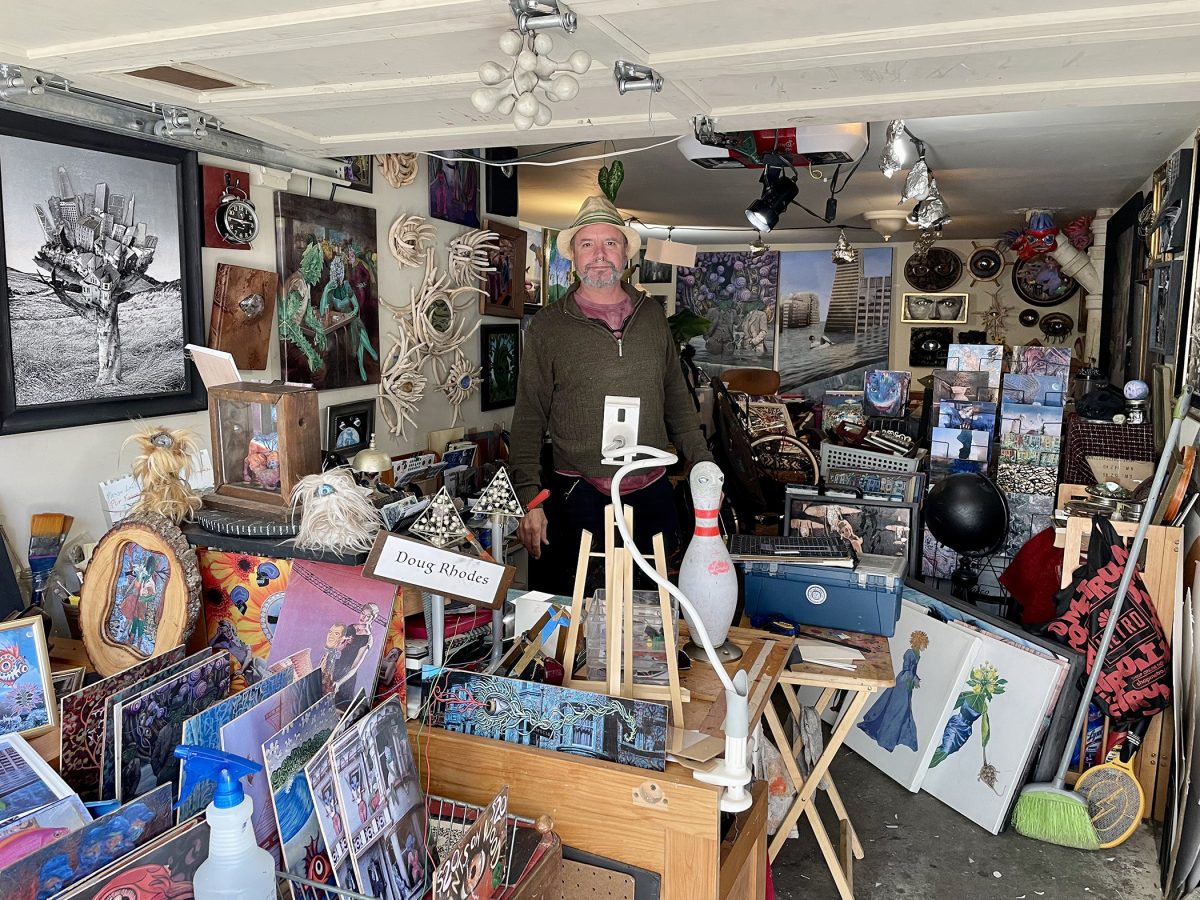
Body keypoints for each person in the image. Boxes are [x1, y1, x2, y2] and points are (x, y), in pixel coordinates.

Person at [510, 195, 713, 594]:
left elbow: (676, 397)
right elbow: (529, 416)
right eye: (587, 244)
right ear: (573, 255)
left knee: (654, 608)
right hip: (579, 494)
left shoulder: (652, 316)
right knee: (580, 609)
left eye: (610, 243)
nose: (599, 255)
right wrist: (530, 498)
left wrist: (703, 462)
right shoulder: (549, 326)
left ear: (625, 253)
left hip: (651, 489)